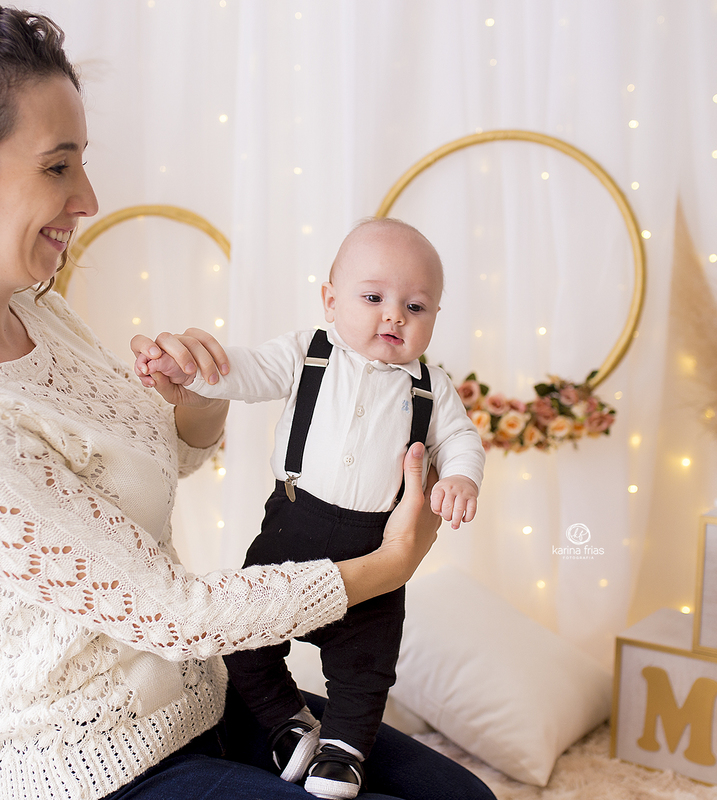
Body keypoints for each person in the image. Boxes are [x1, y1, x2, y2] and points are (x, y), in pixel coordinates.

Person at [0, 5, 495, 800]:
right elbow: (174, 612)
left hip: (200, 699)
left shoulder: (32, 309)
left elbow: (163, 462)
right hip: (103, 768)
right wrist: (386, 565)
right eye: (58, 166)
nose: (88, 196)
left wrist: (194, 400)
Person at [133, 219, 484, 799]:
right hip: (293, 526)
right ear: (330, 301)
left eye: (415, 306)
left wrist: (463, 480)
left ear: (434, 318)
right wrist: (195, 372)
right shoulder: (307, 353)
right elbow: (246, 371)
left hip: (374, 546)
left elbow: (462, 441)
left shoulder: (433, 387)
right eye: (373, 298)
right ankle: (286, 723)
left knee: (366, 667)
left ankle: (343, 751)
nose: (393, 316)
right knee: (246, 635)